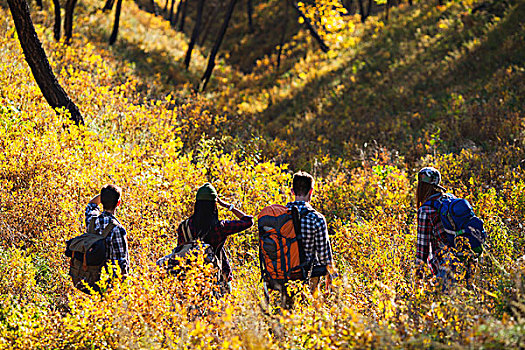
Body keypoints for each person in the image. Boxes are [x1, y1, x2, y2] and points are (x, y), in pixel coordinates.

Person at [176, 183, 254, 293]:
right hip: (217, 278)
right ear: (214, 205)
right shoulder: (220, 227)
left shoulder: (184, 227)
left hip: (190, 279)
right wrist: (228, 206)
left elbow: (180, 250)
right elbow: (248, 221)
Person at [287, 171, 336, 293]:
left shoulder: (278, 216)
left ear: (292, 191)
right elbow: (324, 254)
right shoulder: (317, 218)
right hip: (306, 274)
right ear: (311, 191)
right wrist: (332, 275)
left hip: (281, 271)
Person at [415, 167, 458, 289]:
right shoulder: (450, 199)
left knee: (447, 304)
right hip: (466, 257)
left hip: (447, 265)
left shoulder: (425, 210)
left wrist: (418, 277)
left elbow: (422, 249)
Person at [84, 184, 129, 277]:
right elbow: (122, 262)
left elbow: (91, 204)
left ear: (102, 201)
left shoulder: (92, 220)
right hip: (110, 280)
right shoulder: (118, 229)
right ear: (118, 203)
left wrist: (105, 195)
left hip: (91, 275)